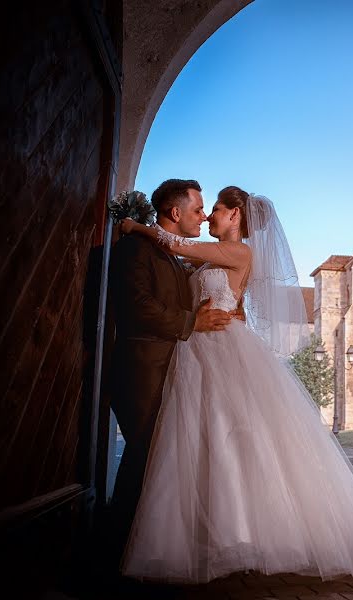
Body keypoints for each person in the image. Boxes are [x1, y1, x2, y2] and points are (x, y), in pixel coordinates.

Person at [117, 186, 353, 584]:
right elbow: (191, 270)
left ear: (235, 215)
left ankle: (240, 533)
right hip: (198, 349)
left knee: (230, 437)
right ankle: (209, 533)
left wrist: (134, 224)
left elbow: (173, 242)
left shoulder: (240, 253)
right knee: (205, 440)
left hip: (221, 349)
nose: (207, 217)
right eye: (204, 210)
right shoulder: (209, 258)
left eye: (214, 210)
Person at [105, 179, 238, 574]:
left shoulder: (172, 256)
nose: (203, 215)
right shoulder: (136, 249)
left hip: (172, 372)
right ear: (175, 213)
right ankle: (110, 557)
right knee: (141, 459)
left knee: (153, 465)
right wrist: (190, 321)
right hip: (142, 371)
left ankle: (136, 552)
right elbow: (138, 305)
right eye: (198, 208)